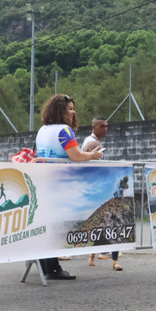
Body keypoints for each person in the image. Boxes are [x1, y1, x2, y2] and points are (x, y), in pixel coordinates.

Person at [35, 94, 102, 280]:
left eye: (74, 108)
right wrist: (92, 156)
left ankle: (44, 266)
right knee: (55, 226)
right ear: (60, 111)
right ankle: (54, 268)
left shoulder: (42, 130)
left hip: (41, 180)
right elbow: (76, 155)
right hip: (58, 183)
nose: (73, 112)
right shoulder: (64, 130)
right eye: (70, 109)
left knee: (45, 225)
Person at [83, 117, 123, 271]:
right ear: (94, 127)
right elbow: (83, 161)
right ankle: (112, 260)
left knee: (105, 222)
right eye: (102, 126)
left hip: (100, 187)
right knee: (111, 221)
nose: (106, 129)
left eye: (107, 126)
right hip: (98, 188)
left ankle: (102, 256)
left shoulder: (92, 141)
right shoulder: (92, 142)